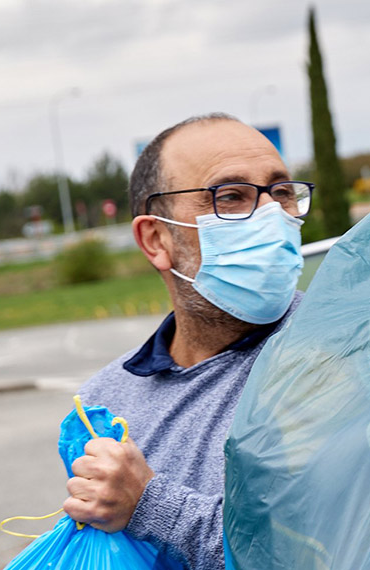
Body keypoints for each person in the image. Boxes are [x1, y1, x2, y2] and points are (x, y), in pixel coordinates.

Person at [62, 113, 311, 570]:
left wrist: (149, 505)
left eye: (281, 192)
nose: (272, 216)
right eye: (230, 197)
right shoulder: (106, 399)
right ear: (156, 239)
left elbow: (328, 549)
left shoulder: (334, 355)